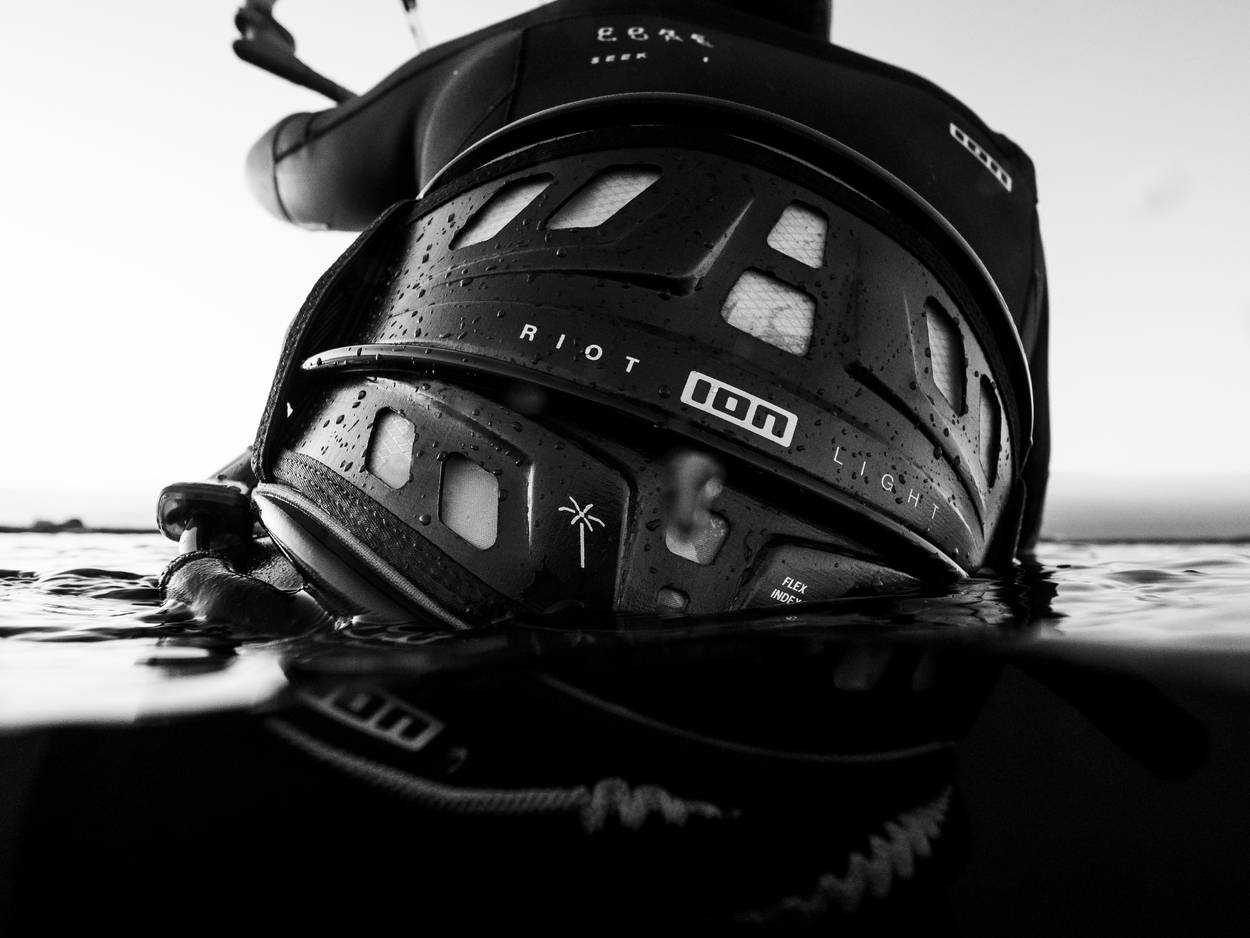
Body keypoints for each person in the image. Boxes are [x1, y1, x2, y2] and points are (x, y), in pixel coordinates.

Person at [155, 0, 1050, 925]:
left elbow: (286, 170)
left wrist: (318, 75)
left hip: (422, 563)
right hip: (838, 674)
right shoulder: (1002, 182)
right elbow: (1012, 531)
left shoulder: (527, 49)